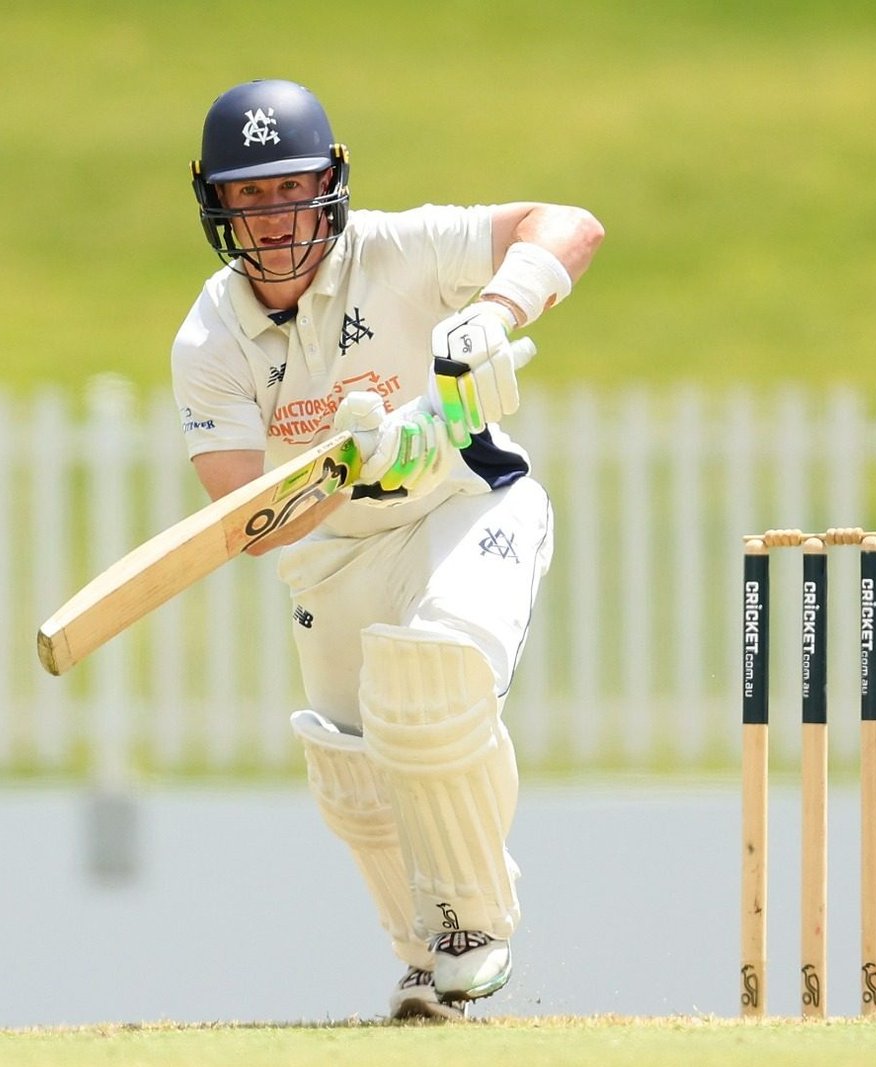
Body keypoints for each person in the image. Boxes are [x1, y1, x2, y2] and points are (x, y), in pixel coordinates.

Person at [170, 78, 603, 1020]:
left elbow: (569, 223)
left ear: (329, 183)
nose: (275, 220)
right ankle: (422, 965)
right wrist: (352, 468)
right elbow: (246, 518)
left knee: (434, 679)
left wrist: (489, 313)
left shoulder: (399, 249)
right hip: (328, 553)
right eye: (250, 196)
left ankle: (472, 924)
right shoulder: (209, 336)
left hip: (466, 505)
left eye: (290, 189)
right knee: (354, 774)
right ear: (216, 205)